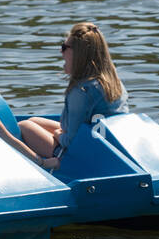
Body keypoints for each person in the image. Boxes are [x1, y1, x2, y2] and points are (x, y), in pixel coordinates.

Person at [18, 23, 129, 161]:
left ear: (79, 54)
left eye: (64, 47)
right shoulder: (113, 81)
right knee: (34, 121)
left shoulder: (82, 91)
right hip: (105, 144)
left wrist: (58, 135)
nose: (61, 52)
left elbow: (71, 141)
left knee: (24, 126)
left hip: (84, 155)